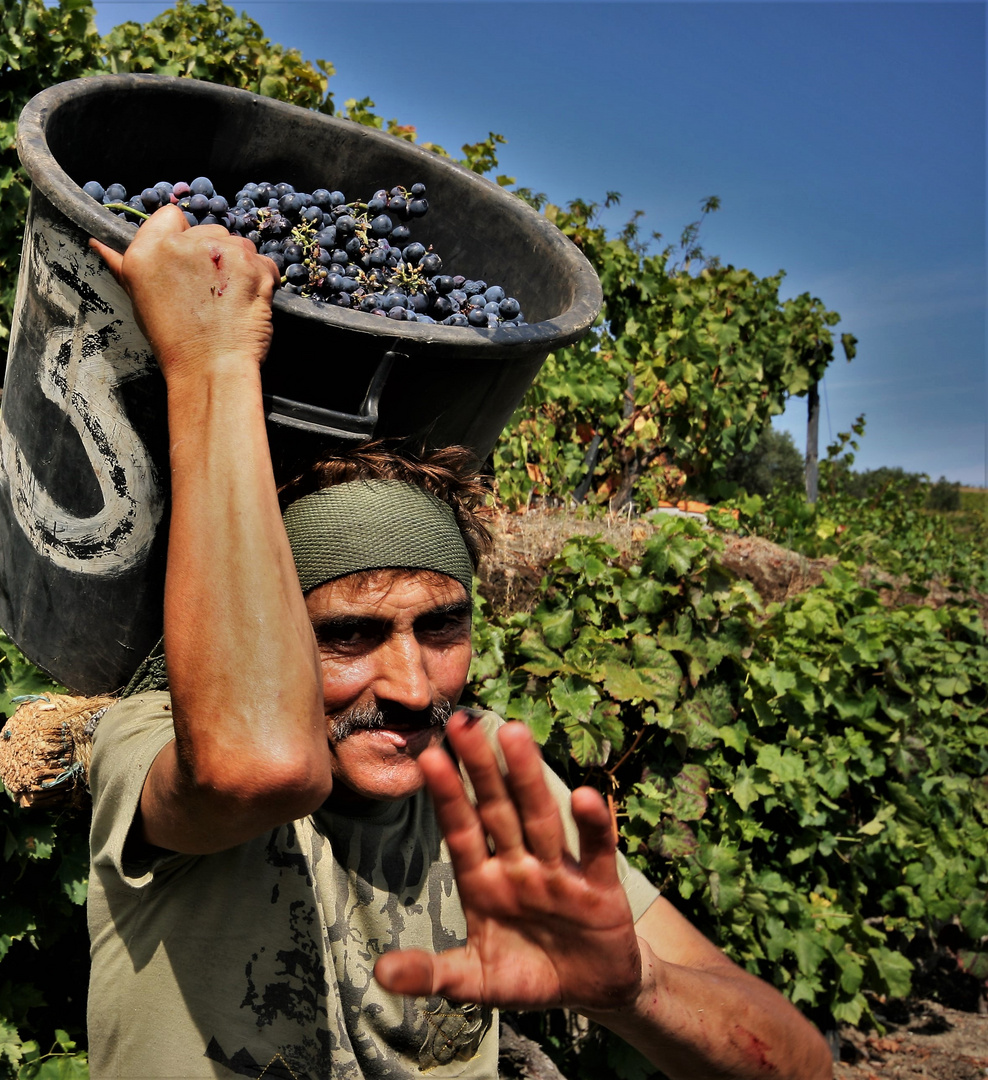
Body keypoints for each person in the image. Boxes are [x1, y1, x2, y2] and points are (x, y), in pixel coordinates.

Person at [81, 205, 832, 1080]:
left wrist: (637, 990)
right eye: (349, 634)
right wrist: (210, 362)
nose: (410, 684)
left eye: (441, 625)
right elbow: (260, 766)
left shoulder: (485, 785)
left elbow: (798, 1065)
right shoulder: (153, 742)